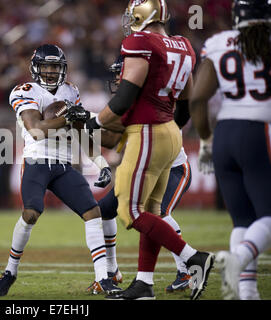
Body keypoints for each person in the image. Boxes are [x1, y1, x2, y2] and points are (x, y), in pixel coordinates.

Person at [84, 0, 214, 300]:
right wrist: (167, 128)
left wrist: (94, 122)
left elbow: (124, 98)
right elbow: (186, 104)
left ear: (144, 15)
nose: (129, 21)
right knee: (152, 211)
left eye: (133, 15)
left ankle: (194, 258)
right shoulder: (183, 44)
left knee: (129, 212)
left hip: (149, 130)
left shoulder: (140, 41)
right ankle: (144, 283)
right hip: (170, 131)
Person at [0, 44, 122, 297]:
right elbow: (37, 130)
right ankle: (10, 271)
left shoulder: (70, 91)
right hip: (37, 161)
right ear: (35, 68)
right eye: (46, 66)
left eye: (55, 66)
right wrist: (66, 116)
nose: (51, 71)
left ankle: (103, 278)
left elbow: (79, 131)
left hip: (63, 164)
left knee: (93, 212)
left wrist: (101, 163)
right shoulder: (25, 91)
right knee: (31, 214)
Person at [87, 56, 193, 296]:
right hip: (143, 171)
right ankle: (112, 270)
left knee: (158, 214)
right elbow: (114, 135)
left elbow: (113, 136)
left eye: (120, 74)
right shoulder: (131, 98)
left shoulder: (144, 99)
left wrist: (85, 122)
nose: (116, 79)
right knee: (103, 210)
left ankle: (188, 266)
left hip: (171, 168)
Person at [189, 0, 271, 300]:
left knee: (243, 220)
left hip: (224, 133)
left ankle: (247, 292)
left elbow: (198, 99)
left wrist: (207, 140)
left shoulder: (218, 43)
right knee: (268, 215)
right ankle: (238, 260)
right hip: (259, 132)